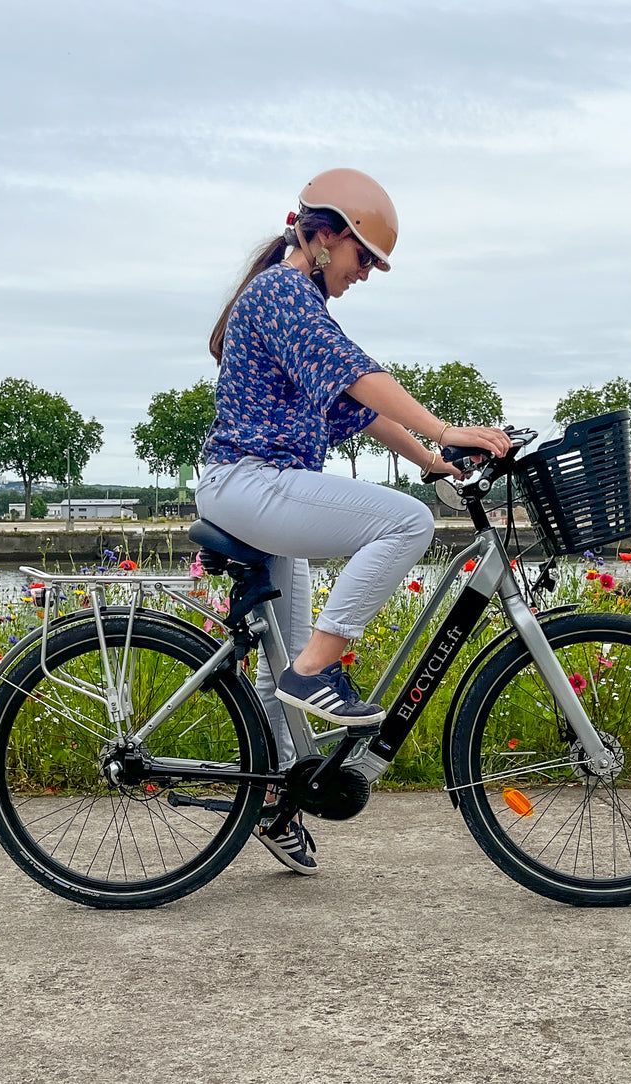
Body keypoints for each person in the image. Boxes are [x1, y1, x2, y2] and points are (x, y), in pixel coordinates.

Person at [197, 168, 510, 874]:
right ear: (324, 234)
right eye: (362, 256)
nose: (364, 273)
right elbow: (356, 374)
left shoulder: (294, 300)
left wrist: (434, 460)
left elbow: (359, 410)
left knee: (286, 666)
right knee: (404, 526)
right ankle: (316, 673)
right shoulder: (282, 292)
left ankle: (274, 803)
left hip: (258, 488)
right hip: (251, 482)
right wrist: (448, 427)